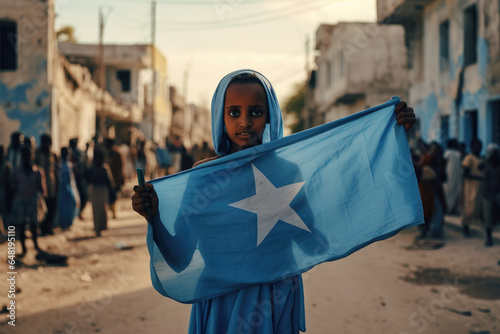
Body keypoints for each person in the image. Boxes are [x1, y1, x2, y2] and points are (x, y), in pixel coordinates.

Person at [131, 70, 416, 333]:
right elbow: (180, 260)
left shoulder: (287, 172)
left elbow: (313, 243)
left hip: (274, 298)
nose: (245, 121)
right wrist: (153, 217)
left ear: (270, 116)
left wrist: (389, 137)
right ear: (220, 116)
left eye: (256, 111)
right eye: (234, 112)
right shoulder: (204, 177)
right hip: (221, 301)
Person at [11, 145, 47, 256]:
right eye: (24, 155)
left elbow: (42, 188)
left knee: (33, 224)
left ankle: (36, 245)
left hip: (32, 200)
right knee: (21, 225)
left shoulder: (37, 171)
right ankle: (24, 249)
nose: (26, 157)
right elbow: (14, 186)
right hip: (21, 200)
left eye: (28, 155)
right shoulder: (17, 171)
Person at [84, 148, 114, 237]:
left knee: (103, 209)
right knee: (95, 209)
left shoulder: (105, 168)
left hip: (103, 190)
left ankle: (102, 227)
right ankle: (97, 228)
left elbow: (110, 182)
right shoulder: (91, 169)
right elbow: (86, 178)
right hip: (94, 190)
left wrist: (112, 192)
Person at [35, 134, 58, 235]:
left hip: (52, 184)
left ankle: (49, 227)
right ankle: (42, 228)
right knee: (42, 207)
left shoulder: (54, 155)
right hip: (40, 184)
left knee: (52, 207)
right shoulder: (37, 153)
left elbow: (57, 170)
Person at [462, 139, 484, 237]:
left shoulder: (482, 158)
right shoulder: (469, 158)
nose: (478, 147)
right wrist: (480, 177)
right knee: (469, 206)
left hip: (480, 185)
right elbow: (466, 174)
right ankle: (465, 226)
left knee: (478, 206)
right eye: (476, 145)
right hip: (470, 185)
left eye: (479, 145)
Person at [482, 144, 500, 247]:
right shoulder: (486, 163)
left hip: (498, 193)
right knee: (487, 217)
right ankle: (489, 238)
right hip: (487, 193)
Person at [58, 147, 80, 231]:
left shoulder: (68, 164)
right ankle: (64, 224)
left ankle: (67, 223)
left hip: (70, 188)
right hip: (63, 188)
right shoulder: (61, 165)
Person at [104, 138, 124, 219]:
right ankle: (111, 211)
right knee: (111, 195)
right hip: (109, 179)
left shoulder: (116, 153)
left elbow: (120, 167)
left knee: (114, 195)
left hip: (115, 178)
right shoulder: (107, 153)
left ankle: (113, 211)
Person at [443, 139, 463, 214]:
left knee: (448, 190)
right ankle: (450, 208)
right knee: (454, 190)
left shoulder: (447, 152)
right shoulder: (457, 153)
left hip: (449, 173)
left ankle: (449, 208)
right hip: (455, 175)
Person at [0, 145, 13, 233]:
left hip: (3, 191)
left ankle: (5, 231)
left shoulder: (7, 166)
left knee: (5, 212)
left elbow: (9, 182)